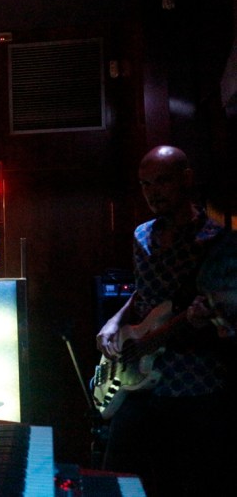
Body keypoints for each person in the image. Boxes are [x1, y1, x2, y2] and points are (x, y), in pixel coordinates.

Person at [95, 145, 236, 496]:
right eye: (146, 184)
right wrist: (115, 321)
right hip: (138, 384)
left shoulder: (215, 241)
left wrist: (201, 319)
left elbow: (220, 308)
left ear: (186, 179)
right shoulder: (141, 235)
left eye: (162, 181)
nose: (153, 192)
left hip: (193, 385)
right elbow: (143, 292)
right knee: (117, 480)